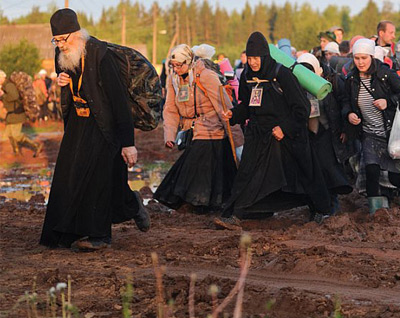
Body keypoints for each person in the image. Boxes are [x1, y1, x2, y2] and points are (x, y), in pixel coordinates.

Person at [40, 9, 150, 250]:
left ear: (77, 34)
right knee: (69, 175)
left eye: (63, 40)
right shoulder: (64, 51)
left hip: (104, 125)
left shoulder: (100, 55)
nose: (59, 46)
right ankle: (65, 232)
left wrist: (128, 142)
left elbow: (119, 101)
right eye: (55, 41)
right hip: (79, 123)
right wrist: (61, 79)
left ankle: (100, 237)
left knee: (98, 179)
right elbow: (67, 74)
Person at [215, 32, 332, 228]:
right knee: (247, 173)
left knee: (303, 173)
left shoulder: (282, 74)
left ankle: (320, 210)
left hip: (287, 135)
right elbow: (247, 106)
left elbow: (301, 108)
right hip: (258, 133)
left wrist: (284, 128)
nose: (252, 62)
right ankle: (234, 214)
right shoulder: (247, 76)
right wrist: (233, 115)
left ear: (265, 56)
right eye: (249, 58)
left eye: (256, 58)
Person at [154, 44, 237, 213]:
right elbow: (170, 108)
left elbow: (223, 106)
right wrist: (169, 135)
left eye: (179, 65)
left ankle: (198, 203)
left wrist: (235, 137)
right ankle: (196, 203)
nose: (176, 69)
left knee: (198, 165)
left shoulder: (206, 76)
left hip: (211, 129)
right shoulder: (173, 80)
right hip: (191, 129)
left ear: (189, 61)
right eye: (173, 66)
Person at [343, 38, 400, 215]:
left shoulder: (385, 74)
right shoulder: (351, 78)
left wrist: (388, 101)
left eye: (364, 58)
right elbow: (345, 101)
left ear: (371, 57)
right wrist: (349, 114)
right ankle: (377, 214)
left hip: (390, 133)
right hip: (368, 134)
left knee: (392, 176)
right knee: (371, 171)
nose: (360, 62)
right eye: (357, 58)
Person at [296, 53, 353, 213]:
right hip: (308, 134)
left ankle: (331, 205)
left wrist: (344, 129)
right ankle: (316, 207)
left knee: (328, 169)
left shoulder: (332, 81)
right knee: (312, 171)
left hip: (328, 132)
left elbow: (344, 103)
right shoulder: (296, 84)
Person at [0, 70, 43, 156]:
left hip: (17, 113)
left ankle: (36, 146)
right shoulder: (5, 86)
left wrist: (2, 95)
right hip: (12, 113)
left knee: (16, 135)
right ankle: (16, 152)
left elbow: (14, 96)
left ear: (2, 77)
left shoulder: (8, 85)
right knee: (9, 134)